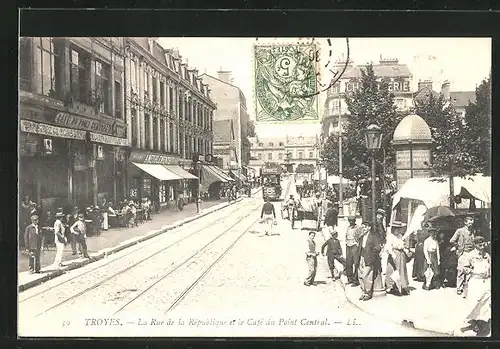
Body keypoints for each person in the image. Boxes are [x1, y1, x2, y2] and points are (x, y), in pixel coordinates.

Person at [459, 236, 491, 336]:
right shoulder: (470, 255)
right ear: (475, 245)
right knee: (474, 302)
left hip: (485, 281)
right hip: (475, 281)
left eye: (483, 245)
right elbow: (464, 268)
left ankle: (481, 323)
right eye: (480, 245)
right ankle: (473, 321)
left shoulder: (487, 255)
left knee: (485, 303)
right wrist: (472, 271)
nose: (482, 247)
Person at [357, 220, 383, 301]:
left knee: (367, 275)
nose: (363, 229)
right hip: (361, 256)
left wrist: (372, 258)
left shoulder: (373, 236)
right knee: (360, 275)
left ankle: (368, 293)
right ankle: (363, 292)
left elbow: (377, 248)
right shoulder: (362, 236)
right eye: (362, 227)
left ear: (369, 228)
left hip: (369, 258)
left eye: (365, 227)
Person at [450, 215, 475, 296]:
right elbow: (452, 240)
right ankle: (459, 288)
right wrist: (458, 247)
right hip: (463, 253)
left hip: (471, 253)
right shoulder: (459, 231)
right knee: (461, 271)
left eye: (472, 223)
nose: (471, 224)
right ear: (465, 223)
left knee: (470, 270)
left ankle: (467, 288)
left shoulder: (473, 231)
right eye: (469, 223)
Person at [385, 221, 412, 296]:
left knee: (402, 271)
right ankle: (392, 287)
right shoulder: (390, 236)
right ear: (393, 229)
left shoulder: (400, 236)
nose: (397, 231)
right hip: (394, 254)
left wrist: (406, 252)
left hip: (401, 255)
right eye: (396, 229)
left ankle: (403, 286)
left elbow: (402, 245)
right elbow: (388, 247)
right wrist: (393, 255)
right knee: (393, 271)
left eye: (398, 229)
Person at [345, 216, 362, 286]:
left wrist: (358, 245)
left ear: (354, 221)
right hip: (348, 245)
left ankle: (356, 280)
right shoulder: (348, 227)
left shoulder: (358, 228)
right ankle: (350, 278)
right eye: (350, 221)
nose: (351, 222)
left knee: (356, 263)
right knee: (348, 263)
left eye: (352, 221)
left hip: (354, 246)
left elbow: (360, 237)